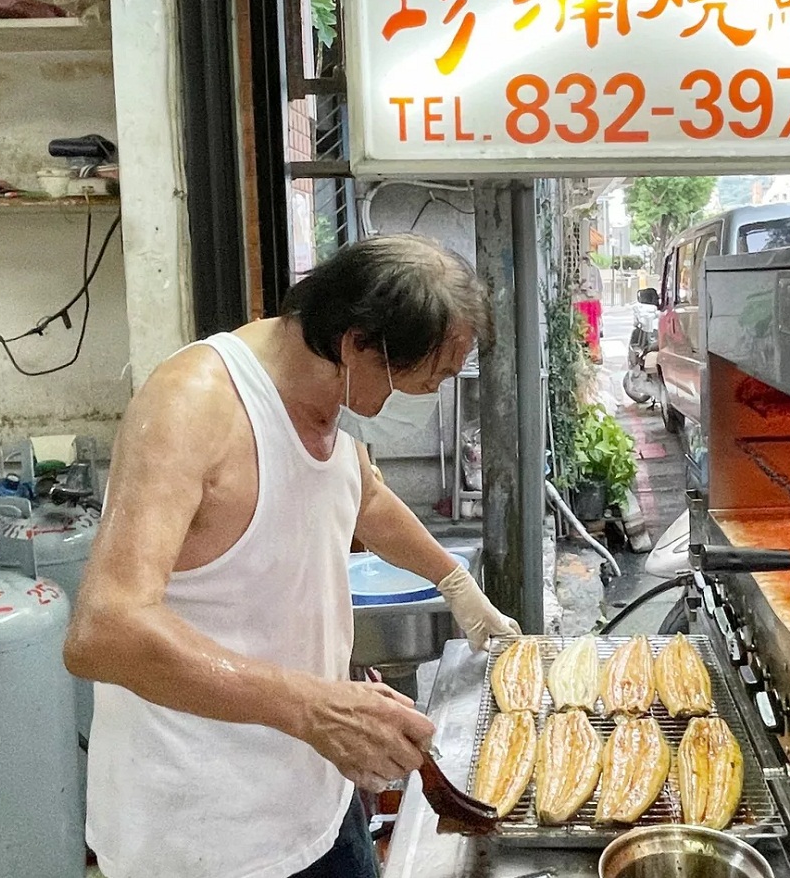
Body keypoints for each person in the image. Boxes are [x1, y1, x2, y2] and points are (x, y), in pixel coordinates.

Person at [64, 234, 522, 878]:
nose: (429, 394)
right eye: (428, 377)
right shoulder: (194, 404)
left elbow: (364, 497)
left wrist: (454, 582)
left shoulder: (326, 399)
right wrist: (312, 705)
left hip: (319, 800)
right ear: (357, 342)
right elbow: (103, 631)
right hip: (205, 834)